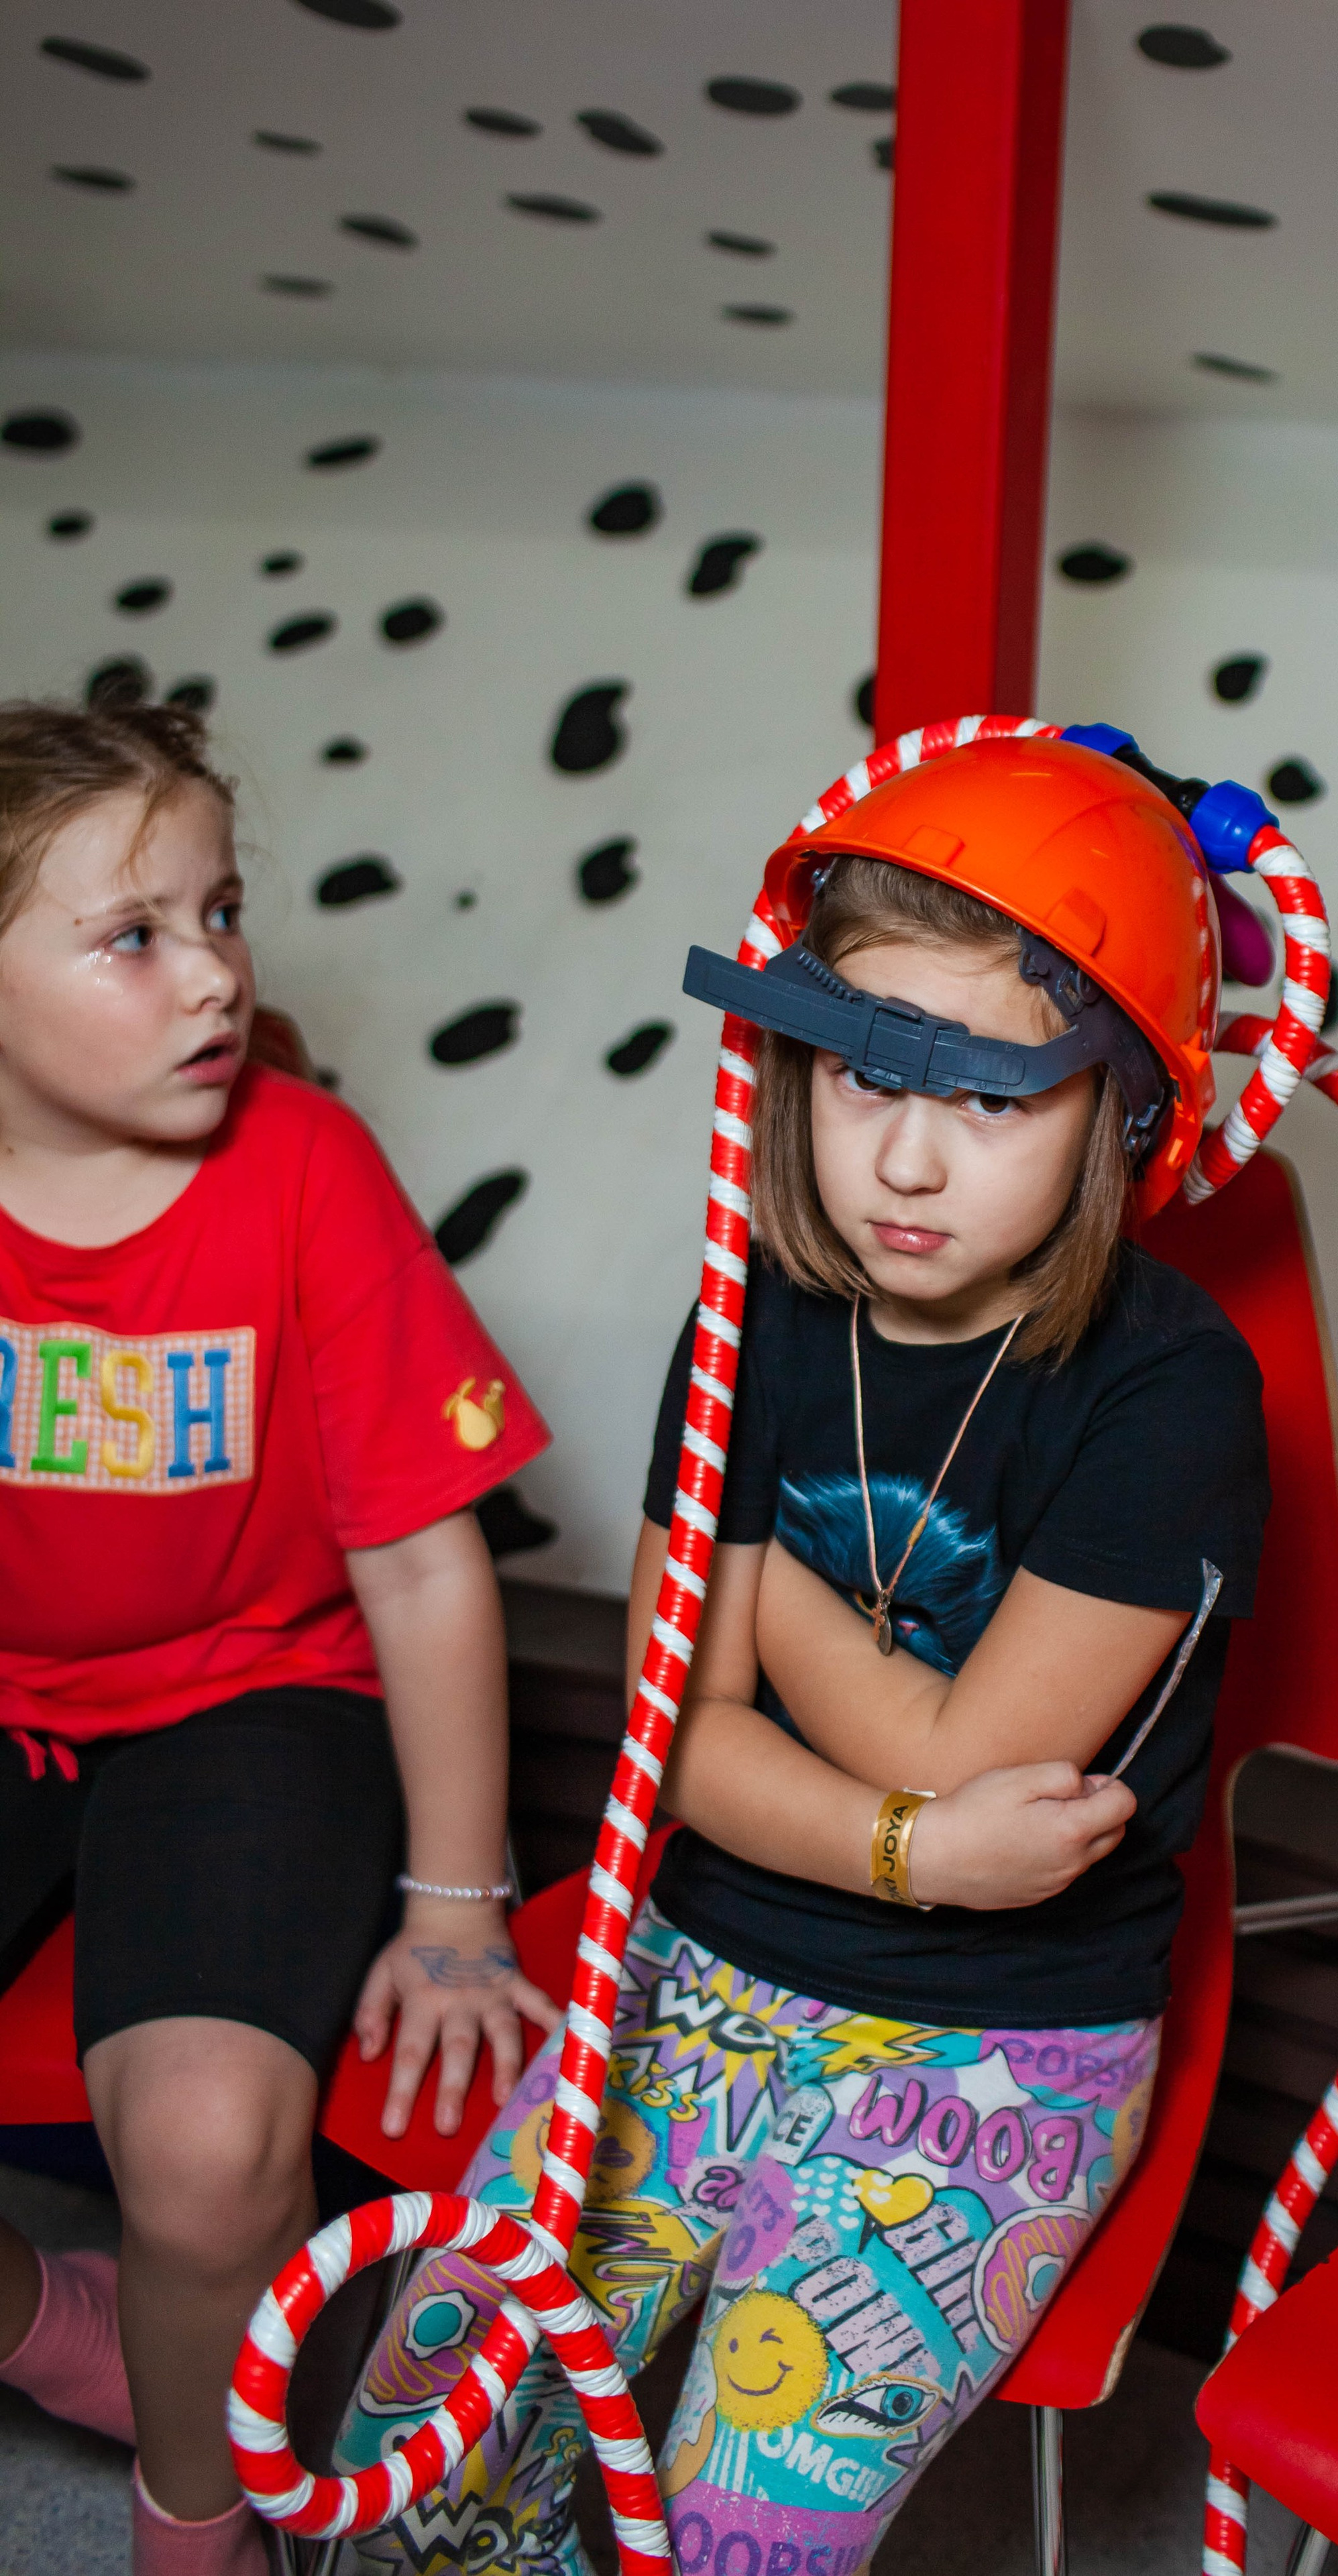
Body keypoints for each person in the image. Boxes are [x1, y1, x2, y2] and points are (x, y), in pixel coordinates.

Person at [339, 732, 1270, 2576]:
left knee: (734, 2530)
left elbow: (947, 1734)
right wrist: (914, 1843)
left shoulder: (1174, 1389)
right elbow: (687, 1750)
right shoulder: (753, 1300)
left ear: (1124, 1113)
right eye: (859, 1075)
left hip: (1004, 2041)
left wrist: (752, 1597)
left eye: (992, 1101)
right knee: (425, 2452)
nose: (904, 1159)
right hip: (696, 1955)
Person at [0, 698, 559, 2575]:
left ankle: (199, 2519)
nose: (214, 975)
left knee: (212, 2139)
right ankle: (47, 2325)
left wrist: (458, 1900)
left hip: (256, 1691)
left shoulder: (304, 1167)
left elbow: (423, 1568)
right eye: (134, 935)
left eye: (223, 912)